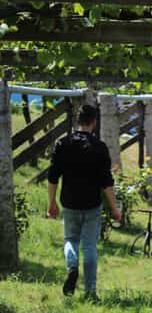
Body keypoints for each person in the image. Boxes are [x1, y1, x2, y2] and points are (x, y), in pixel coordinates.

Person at [47, 104, 122, 300]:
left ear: (77, 121)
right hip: (91, 204)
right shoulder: (99, 148)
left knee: (70, 240)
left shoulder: (63, 144)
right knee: (89, 246)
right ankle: (90, 291)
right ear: (94, 122)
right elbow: (107, 182)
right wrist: (114, 208)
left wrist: (51, 203)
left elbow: (53, 176)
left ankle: (72, 267)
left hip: (69, 202)